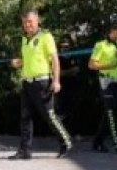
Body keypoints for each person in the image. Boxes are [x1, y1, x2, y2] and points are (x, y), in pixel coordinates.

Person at [9, 10, 72, 160]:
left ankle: (66, 142)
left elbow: (55, 60)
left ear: (37, 21)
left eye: (30, 21)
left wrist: (56, 81)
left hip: (42, 82)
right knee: (25, 117)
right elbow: (29, 60)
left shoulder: (45, 36)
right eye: (25, 22)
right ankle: (25, 151)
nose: (27, 25)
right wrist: (18, 63)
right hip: (27, 82)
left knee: (49, 115)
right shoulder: (24, 39)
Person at [88, 19, 117, 154]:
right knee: (112, 113)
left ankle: (97, 142)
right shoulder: (101, 45)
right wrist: (108, 66)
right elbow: (91, 65)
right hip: (106, 82)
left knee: (112, 112)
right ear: (112, 31)